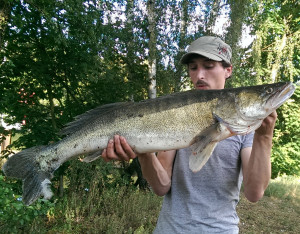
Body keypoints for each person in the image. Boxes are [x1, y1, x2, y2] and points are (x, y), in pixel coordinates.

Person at [101, 36, 277, 233]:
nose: (199, 75)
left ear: (228, 70)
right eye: (193, 68)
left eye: (209, 66)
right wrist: (144, 152)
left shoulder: (245, 126)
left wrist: (264, 136)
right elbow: (161, 187)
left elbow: (254, 193)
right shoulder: (176, 112)